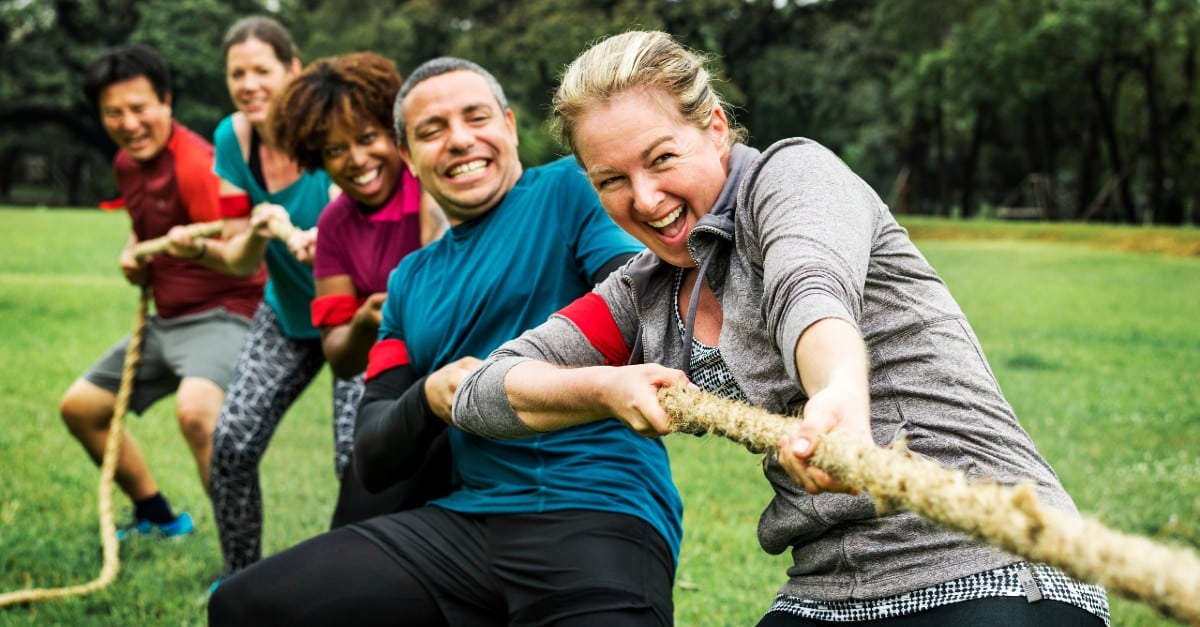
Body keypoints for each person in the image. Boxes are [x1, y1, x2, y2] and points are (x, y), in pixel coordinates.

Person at [451, 30, 1111, 626]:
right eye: (611, 180)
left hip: (987, 560)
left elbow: (810, 289)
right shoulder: (644, 291)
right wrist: (604, 389)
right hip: (827, 590)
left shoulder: (791, 178)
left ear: (715, 128)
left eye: (660, 158)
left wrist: (837, 395)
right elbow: (485, 392)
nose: (645, 199)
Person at [208, 57, 680, 627]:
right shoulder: (409, 282)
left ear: (508, 126)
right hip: (462, 527)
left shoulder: (569, 191)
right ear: (409, 158)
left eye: (475, 118)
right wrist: (431, 394)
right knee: (242, 605)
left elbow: (644, 313)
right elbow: (374, 454)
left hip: (596, 509)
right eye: (432, 131)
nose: (459, 140)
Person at [61, 44, 265, 540]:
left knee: (196, 412)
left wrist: (190, 252)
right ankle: (159, 518)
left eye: (139, 108)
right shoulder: (128, 165)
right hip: (166, 320)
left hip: (224, 312)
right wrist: (135, 252)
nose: (129, 123)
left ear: (166, 103)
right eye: (115, 112)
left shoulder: (198, 165)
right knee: (81, 408)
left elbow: (244, 255)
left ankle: (243, 562)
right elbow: (146, 226)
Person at [182, 14, 345, 577]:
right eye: (236, 73)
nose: (248, 84)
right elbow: (236, 258)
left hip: (360, 317)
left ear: (292, 70)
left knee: (358, 461)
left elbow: (389, 217)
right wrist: (254, 230)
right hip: (289, 314)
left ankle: (357, 584)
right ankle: (241, 580)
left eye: (261, 70)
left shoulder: (330, 129)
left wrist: (335, 239)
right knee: (230, 444)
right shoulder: (232, 138)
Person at [269, 50, 448, 526]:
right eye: (334, 150)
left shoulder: (430, 181)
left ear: (395, 133)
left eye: (368, 138)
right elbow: (339, 356)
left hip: (463, 372)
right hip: (394, 375)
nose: (356, 160)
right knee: (360, 499)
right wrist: (367, 321)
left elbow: (446, 255)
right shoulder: (334, 226)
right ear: (317, 158)